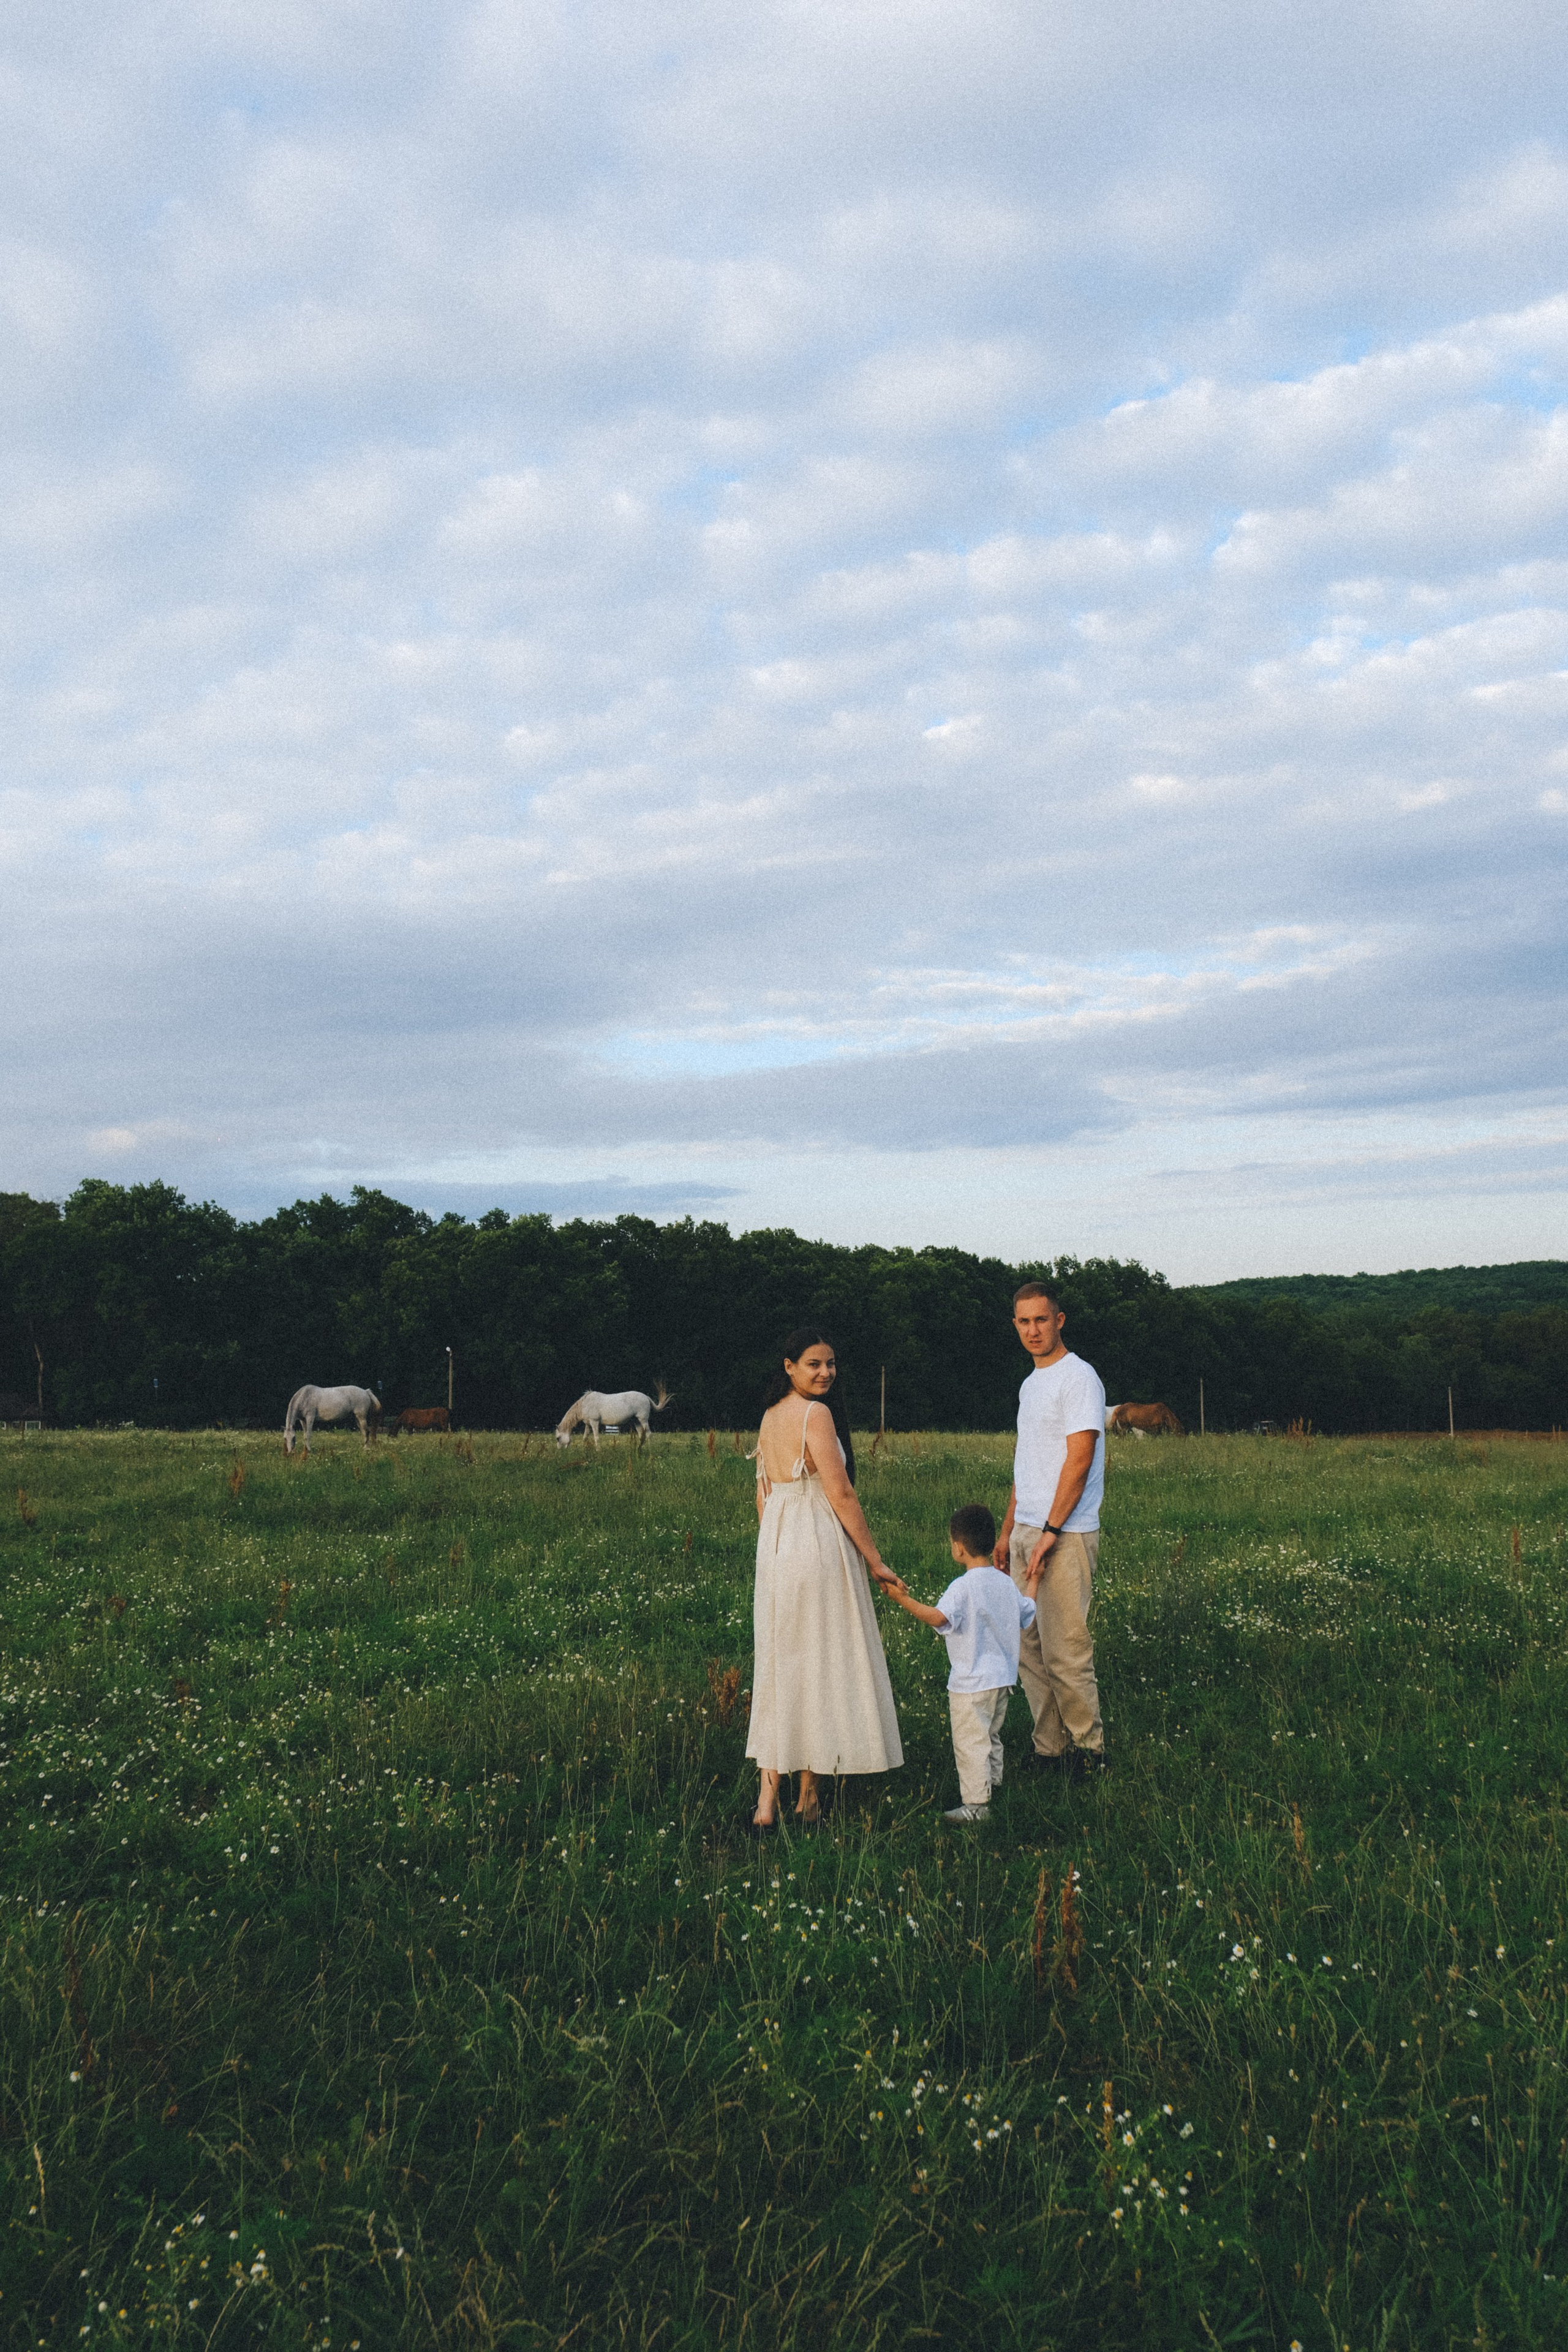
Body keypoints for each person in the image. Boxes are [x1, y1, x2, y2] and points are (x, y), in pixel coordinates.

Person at [747, 1327, 903, 1828]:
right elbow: (841, 1495)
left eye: (831, 1364)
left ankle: (765, 1806)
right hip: (815, 1542)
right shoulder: (816, 1415)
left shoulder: (771, 1416)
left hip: (776, 1548)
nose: (826, 1373)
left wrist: (778, 1551)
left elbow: (763, 1497)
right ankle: (808, 1800)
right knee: (817, 1667)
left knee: (778, 1669)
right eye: (814, 1364)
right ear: (789, 1366)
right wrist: (875, 1559)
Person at [993, 1281, 1107, 1776]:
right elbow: (1028, 1464)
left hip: (1065, 1531)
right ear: (1015, 1325)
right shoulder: (1030, 1384)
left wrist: (1051, 1531)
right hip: (1025, 1529)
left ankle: (1089, 1751)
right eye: (1024, 1322)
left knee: (1066, 1648)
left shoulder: (1078, 1377)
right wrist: (1007, 1531)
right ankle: (1049, 1749)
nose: (1033, 1330)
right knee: (1029, 1648)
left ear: (1059, 1321)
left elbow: (1079, 1460)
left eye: (1042, 1320)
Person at [881, 1502, 1036, 1823]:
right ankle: (993, 1783)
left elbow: (939, 1618)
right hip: (1002, 1681)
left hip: (971, 1685)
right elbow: (1027, 1611)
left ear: (958, 1548)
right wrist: (1034, 1577)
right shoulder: (1006, 1583)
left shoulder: (962, 1588)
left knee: (970, 1742)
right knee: (991, 1735)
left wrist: (903, 1600)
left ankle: (977, 1806)